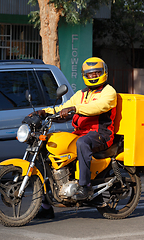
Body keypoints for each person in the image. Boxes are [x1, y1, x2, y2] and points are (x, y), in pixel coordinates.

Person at [30, 57, 117, 218]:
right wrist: (44, 112)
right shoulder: (81, 94)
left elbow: (97, 107)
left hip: (101, 135)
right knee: (50, 147)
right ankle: (46, 205)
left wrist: (75, 108)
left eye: (96, 73)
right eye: (89, 74)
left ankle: (85, 186)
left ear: (104, 73)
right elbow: (63, 108)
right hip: (80, 133)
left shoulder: (109, 92)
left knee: (82, 143)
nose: (93, 76)